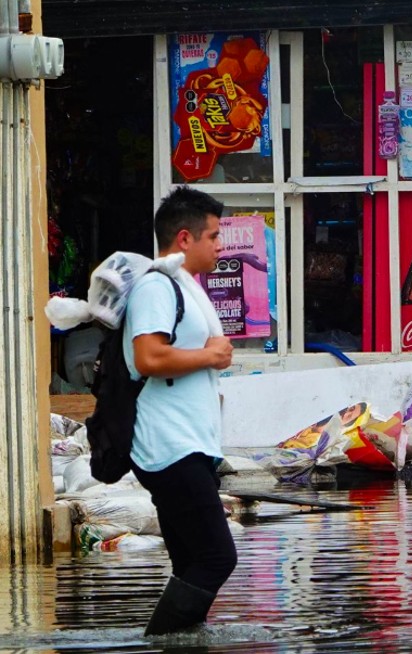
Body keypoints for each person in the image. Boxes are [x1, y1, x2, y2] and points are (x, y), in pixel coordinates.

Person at [125, 186, 236, 635]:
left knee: (191, 561)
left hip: (191, 443)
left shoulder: (187, 286)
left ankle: (182, 642)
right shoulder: (156, 284)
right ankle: (159, 643)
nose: (220, 245)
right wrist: (212, 356)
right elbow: (148, 357)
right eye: (213, 236)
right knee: (216, 556)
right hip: (169, 445)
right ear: (185, 238)